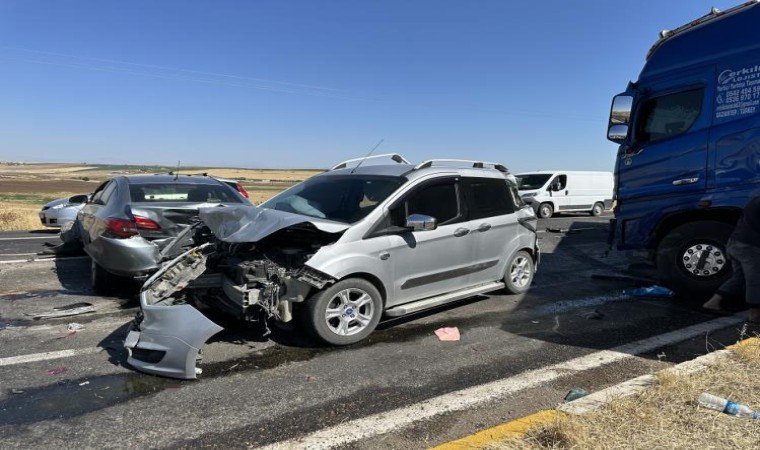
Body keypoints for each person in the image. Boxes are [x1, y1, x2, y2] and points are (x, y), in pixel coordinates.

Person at [702, 195, 760, 323]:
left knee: (740, 277)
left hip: (735, 243)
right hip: (750, 246)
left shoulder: (755, 199)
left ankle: (713, 302)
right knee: (755, 278)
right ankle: (755, 314)